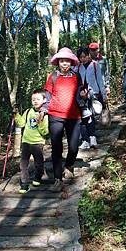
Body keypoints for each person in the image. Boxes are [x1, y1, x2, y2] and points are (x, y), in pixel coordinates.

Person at [41, 47, 87, 192]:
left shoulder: (77, 76)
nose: (65, 63)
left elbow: (81, 94)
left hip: (74, 115)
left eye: (67, 61)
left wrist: (84, 96)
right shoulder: (52, 77)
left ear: (71, 62)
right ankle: (57, 179)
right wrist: (43, 110)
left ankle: (69, 165)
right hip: (55, 115)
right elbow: (47, 96)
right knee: (56, 147)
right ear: (58, 62)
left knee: (73, 146)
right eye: (62, 61)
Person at [14, 89, 49, 194]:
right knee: (23, 164)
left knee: (38, 163)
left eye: (38, 99)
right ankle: (24, 183)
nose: (35, 101)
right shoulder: (28, 111)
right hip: (26, 141)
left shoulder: (45, 114)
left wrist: (40, 122)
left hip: (38, 142)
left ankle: (38, 176)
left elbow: (45, 132)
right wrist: (16, 115)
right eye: (33, 99)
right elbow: (21, 124)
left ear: (44, 100)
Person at [77, 47, 106, 150]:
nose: (83, 59)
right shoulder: (77, 67)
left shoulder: (95, 65)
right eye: (81, 57)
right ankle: (85, 140)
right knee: (82, 118)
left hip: (93, 94)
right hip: (81, 95)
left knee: (91, 117)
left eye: (85, 56)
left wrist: (104, 95)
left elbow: (100, 80)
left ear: (89, 55)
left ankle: (92, 137)